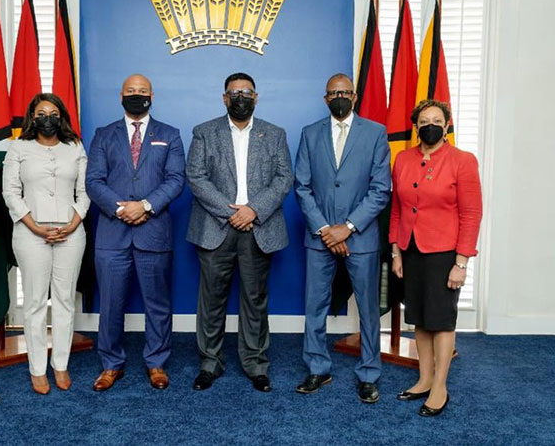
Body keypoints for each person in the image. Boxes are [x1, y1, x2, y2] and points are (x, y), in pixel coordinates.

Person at [187, 72, 293, 393]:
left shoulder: (274, 134)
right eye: (234, 92)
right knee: (212, 299)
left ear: (256, 97)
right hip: (216, 226)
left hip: (258, 226)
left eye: (247, 91)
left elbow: (283, 178)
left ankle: (256, 363)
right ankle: (210, 362)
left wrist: (253, 210)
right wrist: (231, 212)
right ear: (224, 98)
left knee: (255, 299)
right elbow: (196, 176)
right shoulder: (205, 132)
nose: (241, 96)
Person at [293, 73, 391, 403]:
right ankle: (318, 368)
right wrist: (326, 230)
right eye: (333, 93)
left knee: (368, 309)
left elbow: (381, 190)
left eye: (345, 92)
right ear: (325, 98)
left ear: (355, 95)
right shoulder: (310, 134)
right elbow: (302, 187)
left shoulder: (376, 133)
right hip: (319, 237)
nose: (339, 97)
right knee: (314, 306)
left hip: (360, 238)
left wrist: (347, 227)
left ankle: (369, 373)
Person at [85, 74, 185, 391]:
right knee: (111, 304)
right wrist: (120, 208)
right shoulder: (104, 135)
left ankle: (156, 363)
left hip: (153, 232)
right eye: (131, 91)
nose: (136, 95)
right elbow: (93, 181)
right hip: (112, 234)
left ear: (152, 95)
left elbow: (175, 180)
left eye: (142, 91)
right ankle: (111, 364)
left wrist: (144, 206)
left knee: (157, 303)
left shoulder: (170, 134)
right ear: (120, 95)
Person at [389, 99, 482, 416]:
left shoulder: (462, 161)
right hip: (411, 250)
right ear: (415, 126)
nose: (430, 125)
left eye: (436, 120)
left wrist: (461, 262)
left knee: (441, 319)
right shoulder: (402, 160)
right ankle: (424, 378)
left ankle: (440, 387)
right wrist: (396, 250)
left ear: (446, 125)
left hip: (444, 253)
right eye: (424, 120)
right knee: (419, 317)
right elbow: (398, 209)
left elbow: (471, 214)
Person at [2, 93, 90, 394]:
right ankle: (37, 368)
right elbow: (10, 192)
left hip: (70, 233)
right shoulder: (18, 147)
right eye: (41, 113)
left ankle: (61, 365)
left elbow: (85, 190)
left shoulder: (74, 146)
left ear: (61, 116)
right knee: (36, 302)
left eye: (53, 113)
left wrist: (73, 222)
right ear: (32, 117)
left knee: (64, 301)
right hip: (30, 234)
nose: (47, 118)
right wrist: (35, 226)